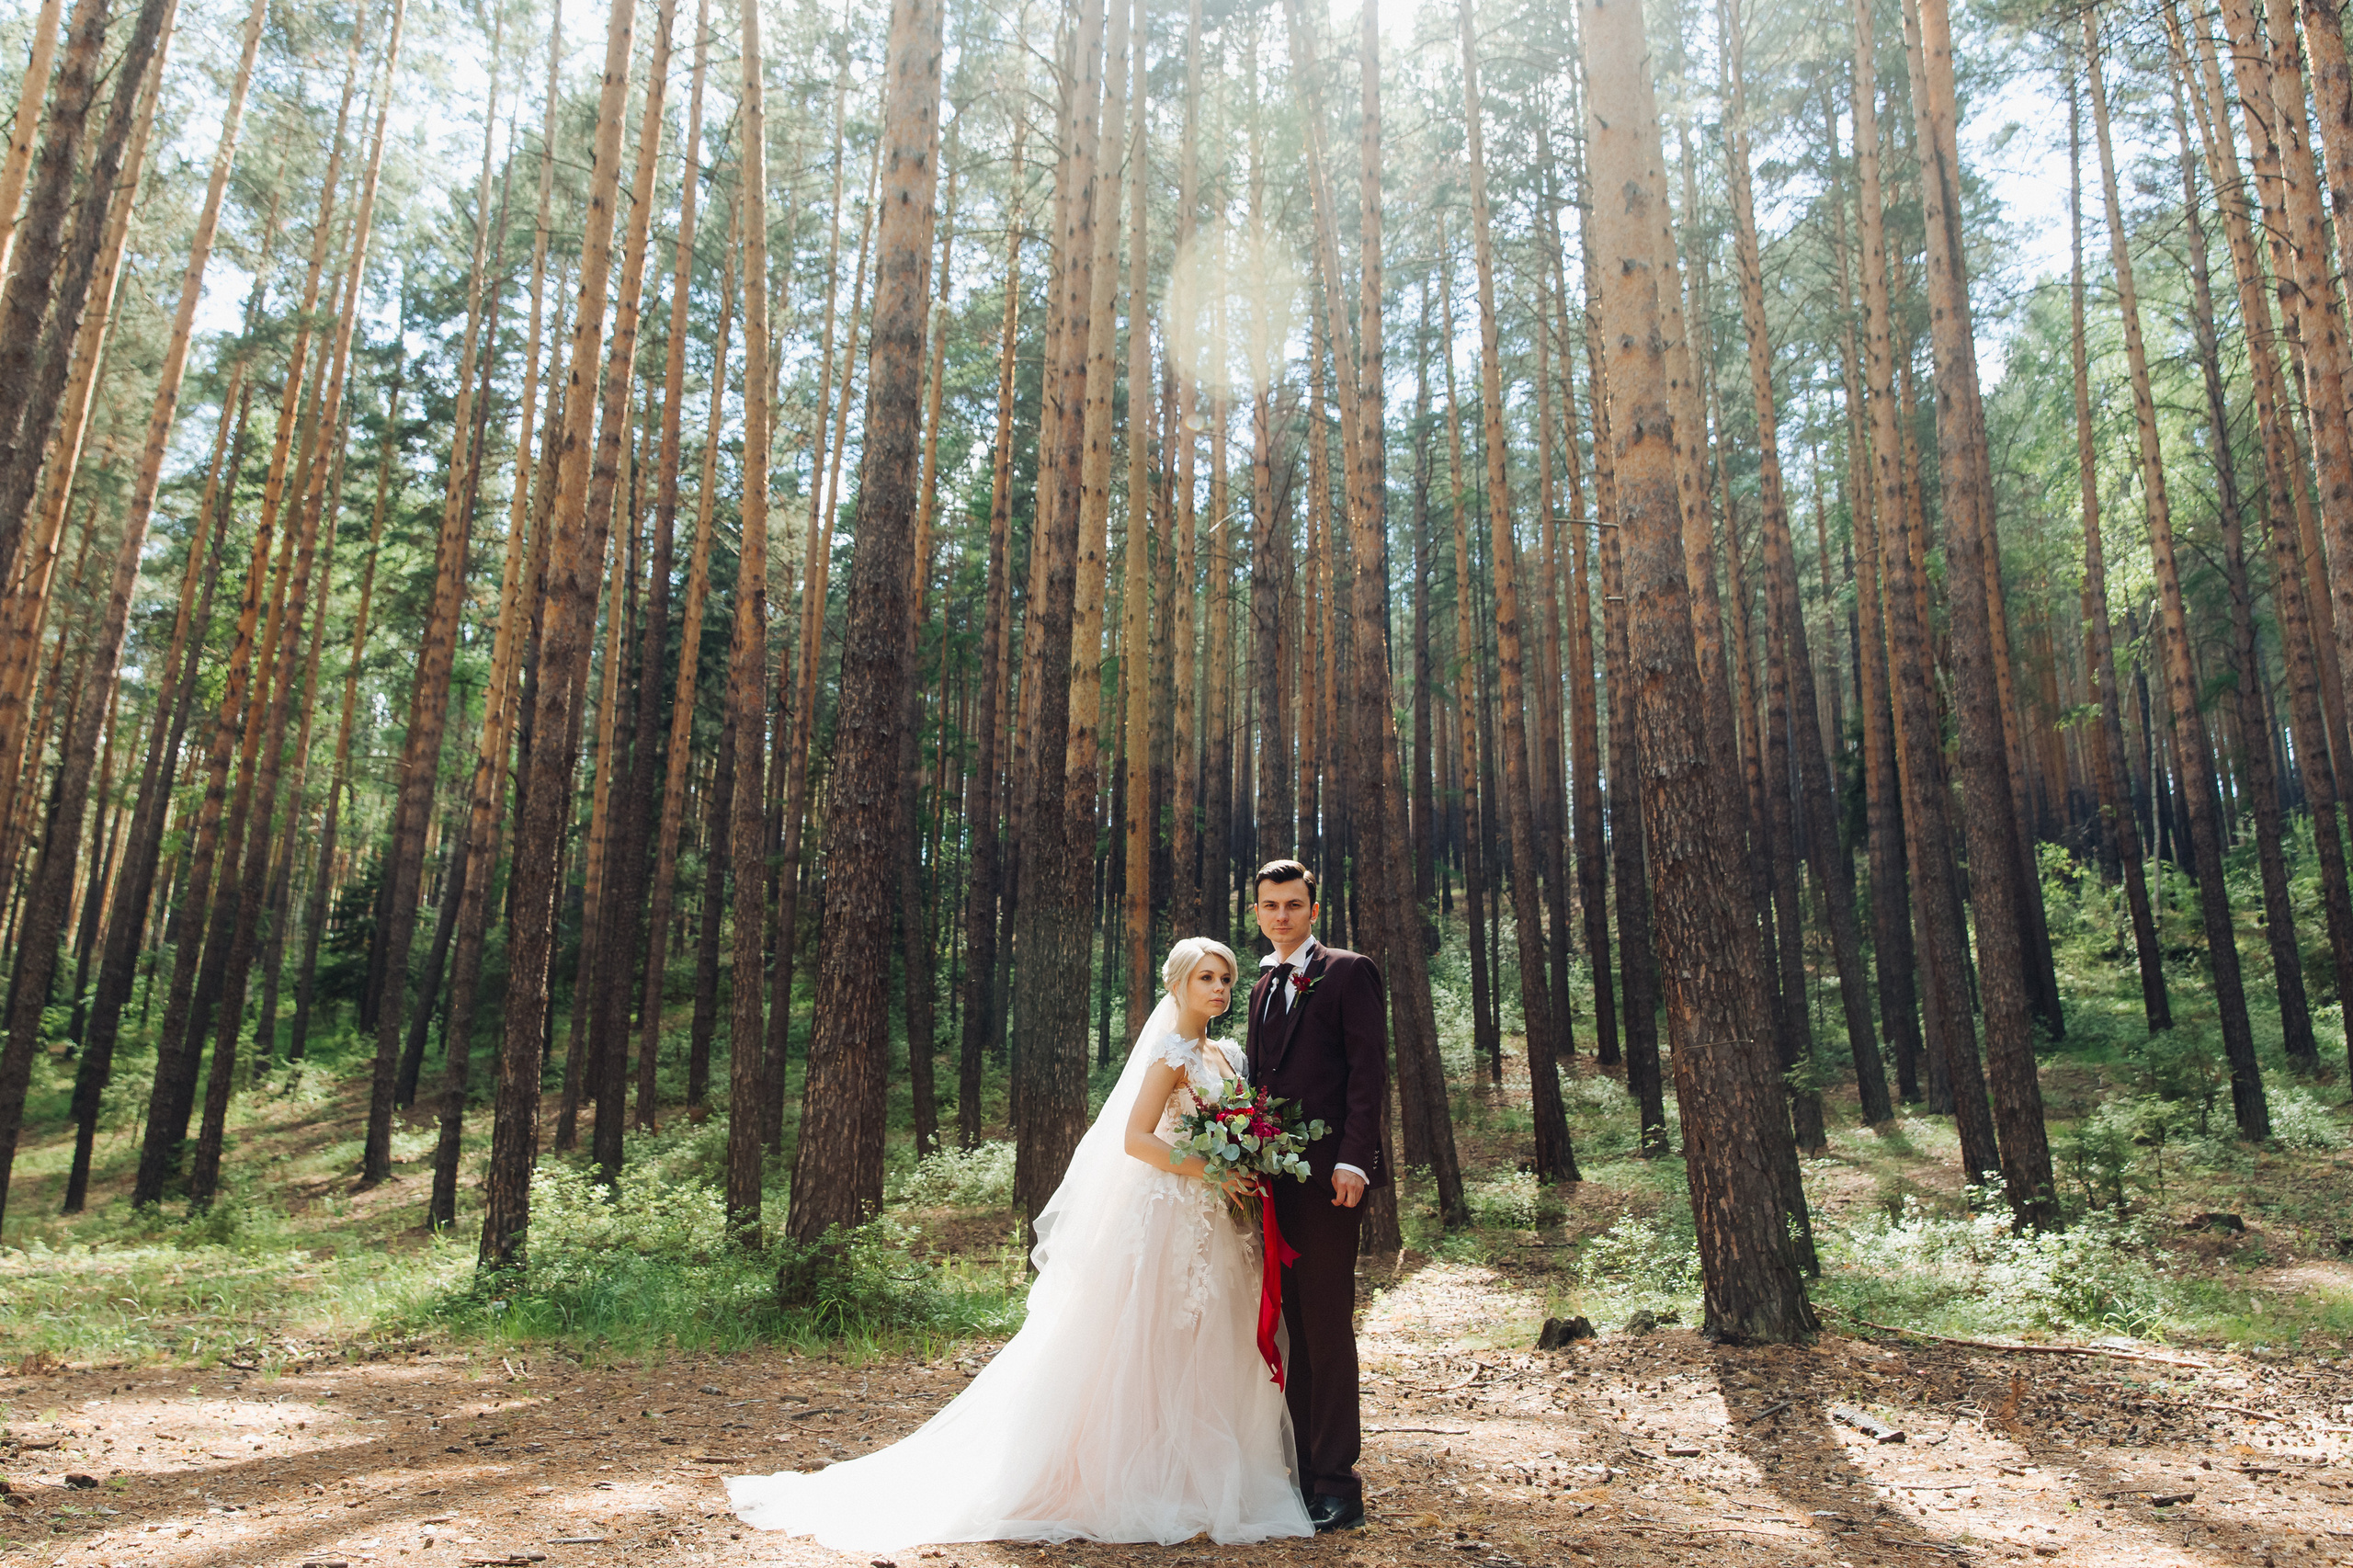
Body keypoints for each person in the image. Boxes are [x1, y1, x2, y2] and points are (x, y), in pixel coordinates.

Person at [725, 937, 1313, 1551]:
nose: (1218, 988)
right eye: (1205, 978)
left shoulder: (1225, 1056)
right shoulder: (1169, 1055)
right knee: (1150, 1338)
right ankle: (1132, 1476)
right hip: (1169, 1215)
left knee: (1208, 1339)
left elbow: (1232, 1127)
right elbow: (1137, 1139)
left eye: (1225, 978)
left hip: (1214, 1220)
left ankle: (1200, 1477)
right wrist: (1211, 1170)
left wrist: (1240, 1164)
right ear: (1178, 986)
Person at [1245, 858, 1385, 1533]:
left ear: (1312, 910)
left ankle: (1338, 1481)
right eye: (1270, 906)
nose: (1281, 916)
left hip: (1332, 1183)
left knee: (1327, 1328)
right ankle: (1300, 1470)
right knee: (1291, 1328)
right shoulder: (1261, 987)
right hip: (1274, 1186)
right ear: (1257, 913)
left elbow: (1367, 1073)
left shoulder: (1348, 971)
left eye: (1293, 905)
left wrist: (1355, 1159)